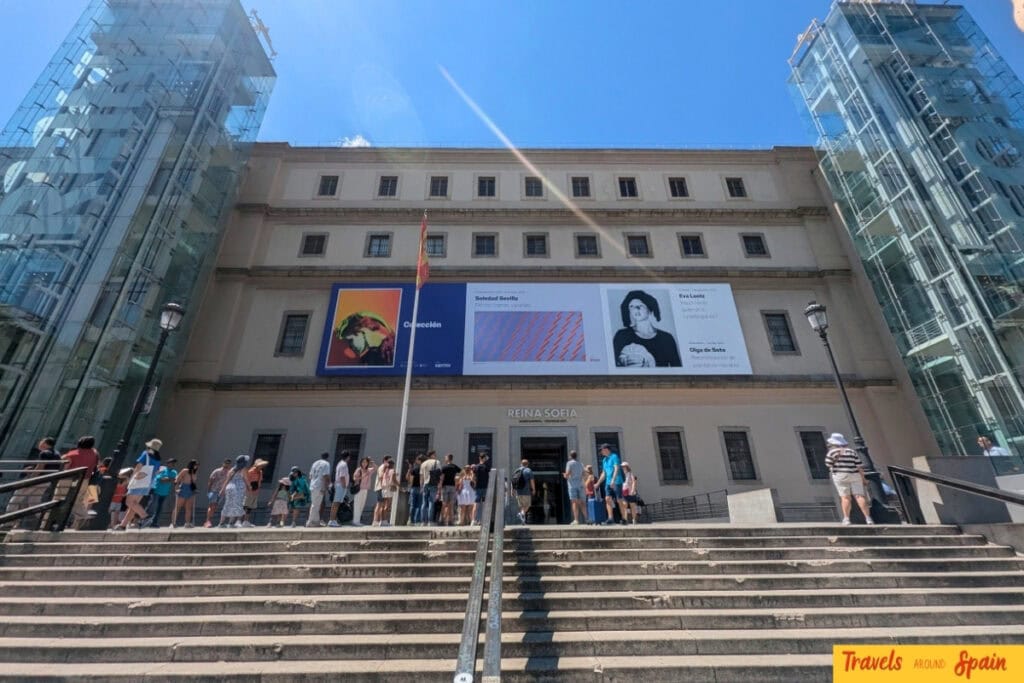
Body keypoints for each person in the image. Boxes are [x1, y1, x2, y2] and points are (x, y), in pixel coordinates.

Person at [612, 290, 681, 368]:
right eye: (631, 306)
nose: (636, 309)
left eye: (640, 306)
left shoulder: (667, 338)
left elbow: (677, 368)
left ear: (649, 309)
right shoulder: (621, 335)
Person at [824, 433, 874, 526]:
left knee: (845, 497)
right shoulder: (851, 452)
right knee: (860, 496)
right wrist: (863, 478)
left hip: (840, 475)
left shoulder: (832, 452)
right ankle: (868, 518)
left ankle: (846, 519)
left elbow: (828, 464)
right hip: (854, 475)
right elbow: (859, 466)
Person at [116, 438, 161, 531]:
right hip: (147, 483)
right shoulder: (158, 459)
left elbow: (138, 467)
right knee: (134, 505)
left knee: (129, 502)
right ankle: (123, 525)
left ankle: (145, 516)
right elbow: (156, 472)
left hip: (138, 482)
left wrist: (131, 479)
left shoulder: (145, 454)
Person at [61, 435, 100, 529]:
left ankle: (50, 521)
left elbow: (65, 466)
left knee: (60, 498)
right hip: (85, 480)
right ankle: (83, 516)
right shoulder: (94, 454)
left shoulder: (73, 454)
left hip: (68, 479)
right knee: (78, 500)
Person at [596, 443, 627, 525]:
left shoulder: (614, 456)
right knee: (607, 499)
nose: (601, 452)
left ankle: (624, 518)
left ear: (606, 449)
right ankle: (610, 518)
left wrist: (613, 480)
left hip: (617, 481)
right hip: (608, 482)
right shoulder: (604, 460)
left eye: (602, 450)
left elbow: (616, 468)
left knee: (619, 500)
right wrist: (598, 483)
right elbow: (604, 473)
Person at [143, 457, 178, 528]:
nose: (172, 464)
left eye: (174, 463)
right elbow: (161, 479)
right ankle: (141, 521)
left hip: (164, 493)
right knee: (150, 506)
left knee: (159, 509)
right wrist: (169, 479)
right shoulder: (162, 469)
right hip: (156, 491)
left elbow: (173, 480)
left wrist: (167, 479)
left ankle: (154, 523)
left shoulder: (174, 472)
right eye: (171, 463)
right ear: (167, 463)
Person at [219, 455, 250, 528]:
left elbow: (227, 480)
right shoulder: (243, 469)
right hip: (239, 489)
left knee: (227, 505)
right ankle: (231, 523)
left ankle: (221, 523)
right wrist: (249, 487)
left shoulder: (232, 469)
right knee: (236, 506)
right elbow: (246, 479)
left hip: (230, 487)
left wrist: (222, 489)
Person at [170, 460, 199, 528]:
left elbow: (194, 483)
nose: (197, 466)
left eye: (198, 465)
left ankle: (187, 523)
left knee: (189, 508)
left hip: (190, 490)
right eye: (196, 465)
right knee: (178, 507)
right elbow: (177, 480)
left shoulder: (194, 473)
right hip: (183, 489)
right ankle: (173, 523)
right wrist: (176, 489)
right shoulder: (185, 470)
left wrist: (195, 490)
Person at [204, 458, 232, 528]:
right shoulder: (217, 471)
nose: (227, 464)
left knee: (215, 507)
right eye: (226, 463)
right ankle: (207, 521)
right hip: (214, 490)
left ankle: (208, 520)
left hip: (222, 492)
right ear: (223, 463)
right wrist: (208, 491)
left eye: (228, 463)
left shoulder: (230, 472)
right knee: (212, 506)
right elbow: (210, 481)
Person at [307, 452, 332, 527]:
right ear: (328, 457)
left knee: (315, 504)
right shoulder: (326, 464)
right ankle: (310, 521)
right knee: (316, 505)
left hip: (313, 485)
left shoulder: (315, 463)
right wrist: (326, 486)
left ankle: (316, 521)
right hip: (319, 486)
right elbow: (326, 476)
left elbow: (310, 476)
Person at [243, 459, 269, 527]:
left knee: (250, 507)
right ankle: (240, 520)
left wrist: (257, 489)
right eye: (261, 465)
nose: (262, 467)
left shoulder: (260, 472)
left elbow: (259, 481)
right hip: (249, 491)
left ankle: (246, 521)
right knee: (245, 506)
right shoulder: (251, 471)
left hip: (255, 491)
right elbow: (246, 480)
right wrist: (249, 488)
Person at [350, 457, 376, 526]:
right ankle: (355, 521)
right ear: (361, 463)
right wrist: (362, 477)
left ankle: (357, 520)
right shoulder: (359, 469)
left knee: (362, 505)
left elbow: (375, 468)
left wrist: (371, 462)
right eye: (363, 462)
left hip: (365, 489)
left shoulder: (368, 470)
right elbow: (354, 478)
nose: (364, 463)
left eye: (366, 462)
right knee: (357, 505)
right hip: (359, 489)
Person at [328, 451, 351, 527]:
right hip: (340, 486)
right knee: (336, 503)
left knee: (337, 503)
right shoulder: (344, 464)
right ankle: (332, 520)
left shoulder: (340, 463)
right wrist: (344, 486)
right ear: (348, 457)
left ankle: (333, 520)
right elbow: (342, 476)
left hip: (339, 485)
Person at [373, 456, 398, 526]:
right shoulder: (383, 467)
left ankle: (379, 521)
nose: (389, 463)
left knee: (382, 505)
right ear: (385, 461)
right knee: (381, 505)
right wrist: (383, 485)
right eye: (388, 461)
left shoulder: (384, 467)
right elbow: (381, 477)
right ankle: (377, 521)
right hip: (381, 488)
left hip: (381, 488)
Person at [563, 450, 586, 525]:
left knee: (574, 502)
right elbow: (583, 474)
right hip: (580, 485)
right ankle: (587, 518)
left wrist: (565, 475)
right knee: (582, 502)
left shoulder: (569, 463)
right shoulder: (581, 464)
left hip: (572, 485)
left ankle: (576, 520)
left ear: (570, 456)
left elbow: (567, 474)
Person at [419, 450, 441, 526]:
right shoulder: (436, 462)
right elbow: (439, 474)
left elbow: (421, 476)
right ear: (432, 455)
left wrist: (421, 486)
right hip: (433, 484)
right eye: (434, 454)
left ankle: (423, 521)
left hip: (425, 484)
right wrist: (439, 485)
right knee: (431, 502)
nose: (435, 455)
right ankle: (430, 521)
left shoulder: (423, 463)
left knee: (424, 503)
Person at [439, 453, 461, 526]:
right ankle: (450, 521)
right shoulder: (454, 467)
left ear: (448, 459)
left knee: (444, 503)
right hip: (452, 486)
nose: (445, 459)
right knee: (451, 504)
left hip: (445, 486)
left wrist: (440, 486)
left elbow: (442, 478)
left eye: (445, 458)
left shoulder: (444, 467)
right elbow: (462, 472)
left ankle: (442, 520)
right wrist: (457, 480)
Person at [472, 453, 492, 524]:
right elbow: (489, 469)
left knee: (476, 504)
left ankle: (473, 520)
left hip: (478, 488)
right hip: (485, 487)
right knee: (484, 504)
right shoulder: (486, 467)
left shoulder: (476, 467)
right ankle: (483, 520)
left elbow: (473, 477)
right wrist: (487, 459)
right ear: (484, 458)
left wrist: (474, 485)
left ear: (479, 458)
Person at [513, 458, 535, 524]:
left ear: (521, 464)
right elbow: (532, 481)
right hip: (526, 492)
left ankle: (523, 520)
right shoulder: (529, 471)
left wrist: (512, 490)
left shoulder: (516, 471)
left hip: (518, 492)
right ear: (527, 464)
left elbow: (513, 481)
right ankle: (521, 514)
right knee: (527, 506)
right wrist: (533, 489)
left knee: (522, 506)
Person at [406, 454, 425, 526]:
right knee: (419, 505)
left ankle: (411, 520)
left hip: (414, 488)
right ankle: (417, 521)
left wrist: (410, 486)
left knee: (412, 505)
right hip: (421, 488)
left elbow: (411, 479)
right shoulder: (424, 469)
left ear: (419, 461)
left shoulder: (415, 469)